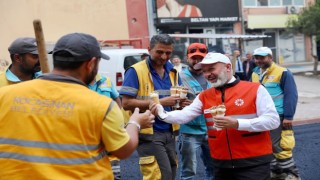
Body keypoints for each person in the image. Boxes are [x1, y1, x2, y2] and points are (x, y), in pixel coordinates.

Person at [0, 32, 154, 179]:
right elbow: (123, 150)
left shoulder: (5, 95)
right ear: (91, 63)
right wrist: (135, 122)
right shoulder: (100, 105)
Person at [150, 52, 280, 180]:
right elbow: (185, 115)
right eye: (204, 71)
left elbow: (273, 121)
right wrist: (162, 113)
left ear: (228, 67)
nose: (207, 74)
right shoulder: (205, 95)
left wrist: (237, 124)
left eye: (211, 69)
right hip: (221, 164)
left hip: (254, 163)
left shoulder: (255, 89)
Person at [120, 34, 182, 180]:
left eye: (168, 53)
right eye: (159, 52)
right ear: (149, 50)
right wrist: (161, 102)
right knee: (158, 175)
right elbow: (126, 103)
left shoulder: (173, 71)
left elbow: (173, 100)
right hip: (149, 133)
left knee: (171, 174)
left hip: (170, 132)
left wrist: (181, 103)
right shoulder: (135, 71)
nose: (164, 56)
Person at [251, 47, 300, 180]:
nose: (259, 60)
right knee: (266, 144)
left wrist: (289, 117)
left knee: (278, 145)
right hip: (261, 115)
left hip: (278, 115)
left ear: (270, 58)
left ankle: (293, 174)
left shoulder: (283, 72)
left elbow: (291, 95)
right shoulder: (255, 73)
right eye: (257, 58)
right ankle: (278, 172)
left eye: (262, 57)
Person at [178, 43, 215, 180]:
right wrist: (179, 104)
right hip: (189, 131)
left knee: (214, 168)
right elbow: (173, 102)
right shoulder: (179, 77)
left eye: (201, 58)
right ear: (187, 58)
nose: (197, 61)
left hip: (211, 129)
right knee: (188, 172)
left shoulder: (212, 75)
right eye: (194, 58)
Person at [88, 73, 122, 179]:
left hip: (108, 129)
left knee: (114, 168)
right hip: (89, 131)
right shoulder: (78, 82)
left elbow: (116, 98)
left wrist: (118, 117)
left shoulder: (106, 80)